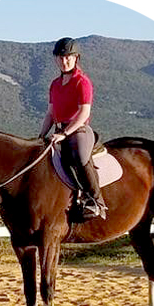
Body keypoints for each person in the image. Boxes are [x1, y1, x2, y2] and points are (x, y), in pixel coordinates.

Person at [39, 37, 107, 220]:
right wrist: (40, 136)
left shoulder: (82, 82)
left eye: (68, 57)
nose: (64, 61)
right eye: (60, 57)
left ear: (76, 58)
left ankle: (96, 202)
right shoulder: (54, 84)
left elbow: (84, 114)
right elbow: (50, 114)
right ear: (55, 59)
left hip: (79, 131)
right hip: (59, 131)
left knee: (81, 157)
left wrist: (64, 134)